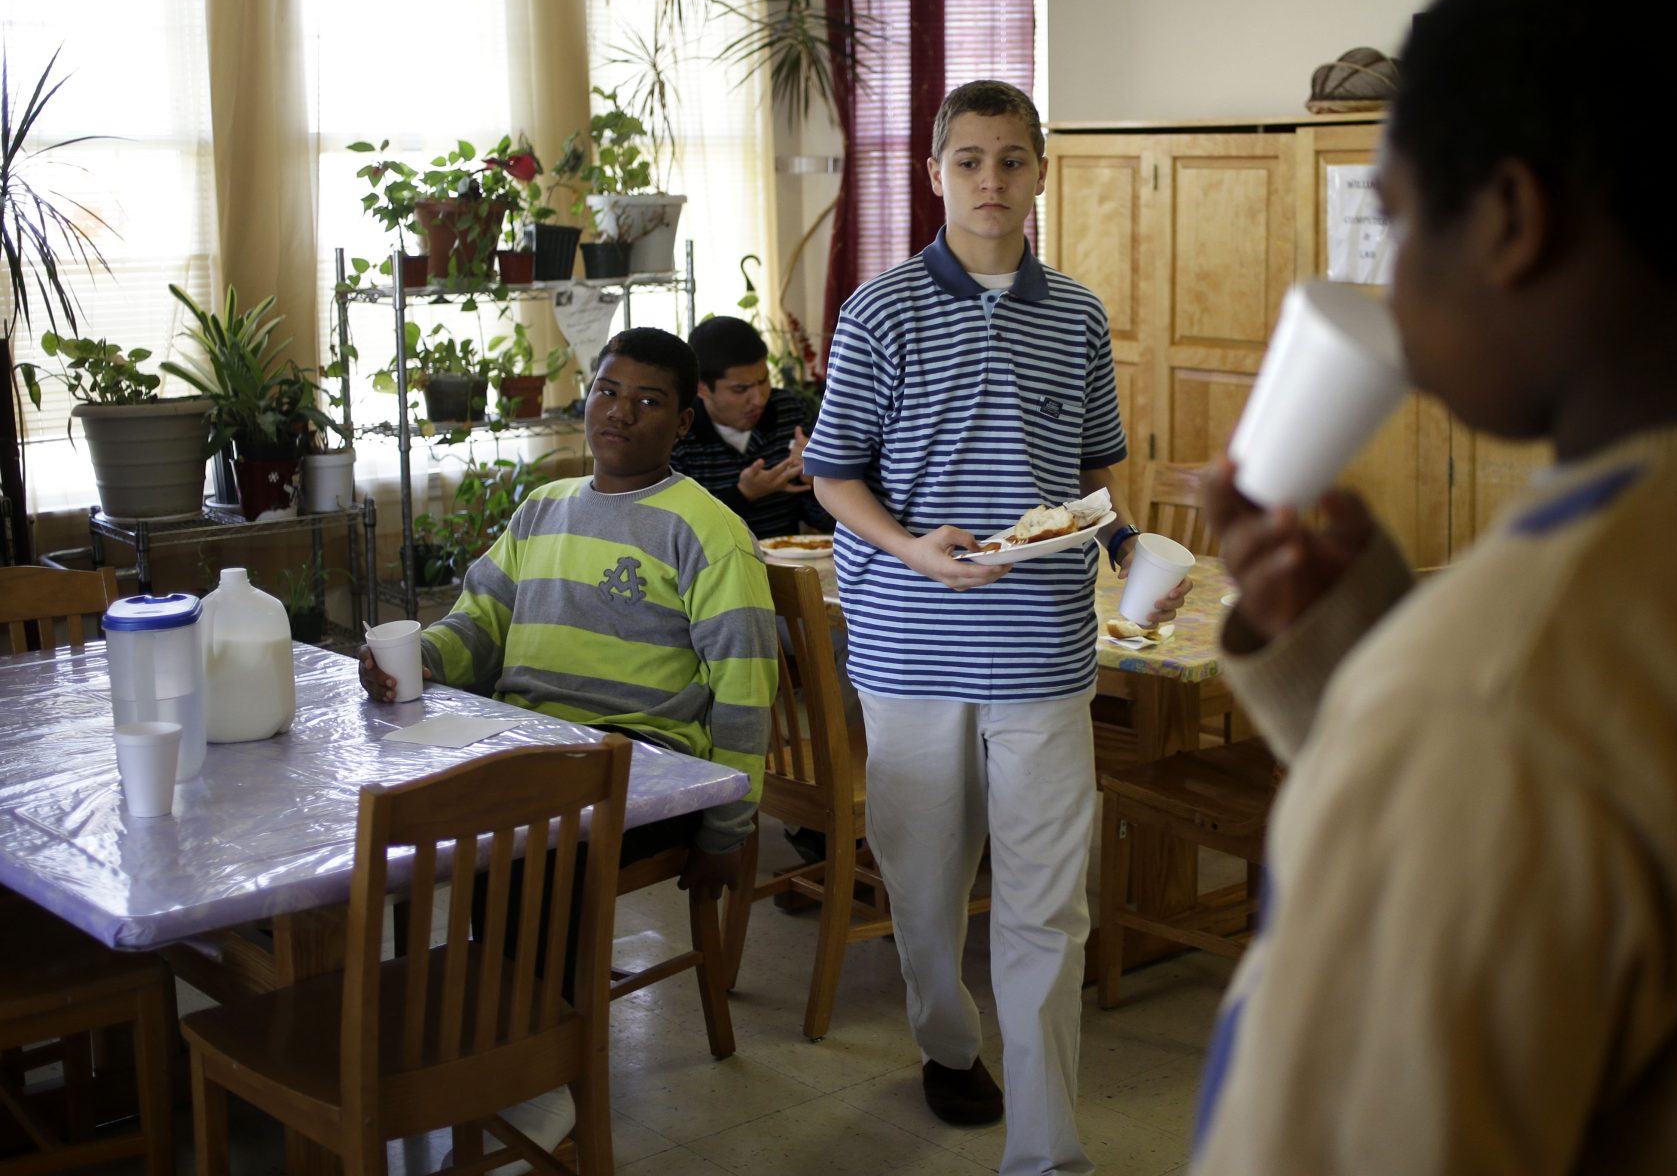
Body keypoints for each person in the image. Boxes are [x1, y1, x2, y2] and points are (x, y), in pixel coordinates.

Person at [1191, 0, 1677, 1173]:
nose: (1391, 288)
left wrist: (1419, 706)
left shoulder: (1495, 691)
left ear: (1512, 219)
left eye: (1399, 225)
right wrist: (1373, 674)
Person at [805, 79, 1188, 1176]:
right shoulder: (879, 311)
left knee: (1047, 907)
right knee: (926, 894)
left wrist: (1128, 546)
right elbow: (833, 477)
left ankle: (1048, 1151)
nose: (991, 180)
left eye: (1012, 159)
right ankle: (946, 1039)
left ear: (1039, 175)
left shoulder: (1076, 314)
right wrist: (912, 548)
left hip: (1044, 653)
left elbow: (1091, 475)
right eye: (969, 160)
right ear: (934, 173)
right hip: (908, 648)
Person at [360, 327, 777, 926]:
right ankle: (482, 980)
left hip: (643, 761)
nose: (620, 413)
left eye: (648, 401)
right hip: (529, 743)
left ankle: (531, 986)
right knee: (407, 806)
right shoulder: (543, 508)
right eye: (607, 392)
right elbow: (479, 622)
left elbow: (745, 688)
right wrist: (418, 657)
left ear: (684, 422)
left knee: (523, 849)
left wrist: (727, 830)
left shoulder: (708, 532)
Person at [673, 314, 835, 541]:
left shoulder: (788, 410)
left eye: (763, 381)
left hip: (785, 558)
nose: (759, 399)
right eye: (740, 389)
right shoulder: (679, 431)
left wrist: (817, 479)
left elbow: (824, 522)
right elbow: (678, 533)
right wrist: (744, 494)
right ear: (702, 388)